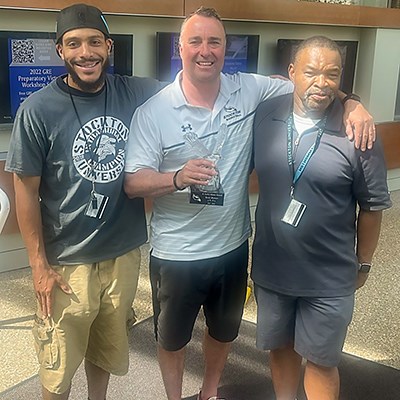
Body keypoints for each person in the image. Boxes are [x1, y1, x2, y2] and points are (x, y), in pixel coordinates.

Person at [123, 7, 375, 400]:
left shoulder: (250, 88)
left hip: (233, 248)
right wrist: (174, 178)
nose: (205, 50)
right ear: (180, 47)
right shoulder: (153, 111)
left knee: (223, 333)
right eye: (195, 41)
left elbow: (313, 82)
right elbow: (133, 182)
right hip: (176, 254)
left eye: (215, 42)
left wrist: (353, 102)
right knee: (171, 340)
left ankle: (209, 392)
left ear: (225, 48)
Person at [5, 3, 162, 400]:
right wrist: (38, 265)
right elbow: (25, 190)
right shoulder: (37, 109)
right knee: (58, 364)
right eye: (73, 43)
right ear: (61, 51)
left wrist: (347, 98)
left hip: (122, 253)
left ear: (108, 46)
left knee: (105, 351)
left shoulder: (135, 92)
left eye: (94, 41)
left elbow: (197, 85)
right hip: (65, 263)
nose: (85, 52)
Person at [251, 36, 392, 400]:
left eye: (332, 74)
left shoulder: (358, 132)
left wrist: (363, 264)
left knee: (321, 361)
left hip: (328, 274)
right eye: (311, 72)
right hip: (273, 267)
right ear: (292, 73)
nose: (322, 82)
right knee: (280, 348)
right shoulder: (266, 115)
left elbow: (372, 206)